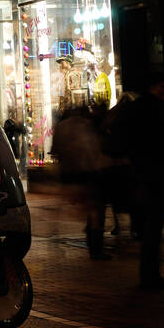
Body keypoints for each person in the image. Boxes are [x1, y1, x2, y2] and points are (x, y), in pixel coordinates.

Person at [109, 69, 164, 290]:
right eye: (163, 87)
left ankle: (149, 274)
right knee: (153, 226)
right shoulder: (152, 110)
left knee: (150, 225)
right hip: (151, 173)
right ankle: (150, 276)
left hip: (141, 172)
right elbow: (161, 145)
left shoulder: (136, 108)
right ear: (154, 87)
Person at [53, 104, 112, 259]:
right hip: (88, 173)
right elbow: (92, 150)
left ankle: (60, 236)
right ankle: (95, 246)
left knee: (82, 209)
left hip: (68, 173)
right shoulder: (86, 126)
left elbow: (56, 150)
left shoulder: (61, 127)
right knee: (95, 211)